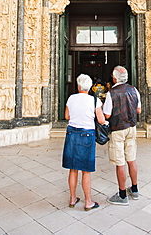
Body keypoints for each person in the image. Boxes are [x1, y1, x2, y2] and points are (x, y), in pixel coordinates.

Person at [62, 73, 105, 211]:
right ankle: (88, 202)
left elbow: (66, 116)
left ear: (78, 86)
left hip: (72, 133)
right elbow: (101, 120)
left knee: (73, 169)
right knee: (86, 171)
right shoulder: (94, 101)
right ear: (90, 87)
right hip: (87, 135)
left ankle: (73, 198)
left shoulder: (71, 98)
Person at [103, 65, 141, 205]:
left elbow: (107, 114)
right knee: (131, 159)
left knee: (120, 162)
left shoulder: (111, 93)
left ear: (114, 78)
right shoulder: (134, 90)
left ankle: (123, 194)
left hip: (118, 129)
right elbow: (139, 110)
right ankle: (135, 190)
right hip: (131, 128)